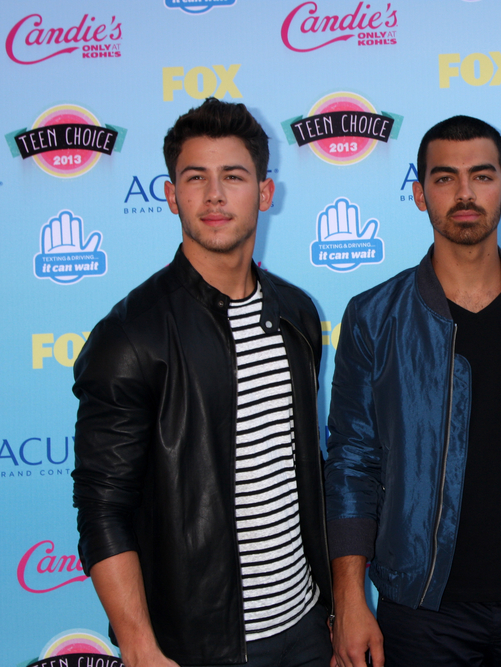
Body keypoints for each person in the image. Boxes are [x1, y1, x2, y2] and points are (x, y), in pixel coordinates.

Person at [325, 115, 501, 667]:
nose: (464, 193)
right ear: (418, 193)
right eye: (444, 178)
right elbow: (351, 464)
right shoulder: (373, 316)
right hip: (420, 612)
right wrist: (350, 596)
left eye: (481, 176)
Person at [72, 98, 332, 666]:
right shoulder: (132, 334)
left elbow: (301, 468)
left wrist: (331, 612)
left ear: (264, 194)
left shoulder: (297, 313)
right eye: (196, 178)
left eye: (233, 177)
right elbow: (102, 506)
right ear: (171, 195)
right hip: (197, 647)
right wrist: (139, 644)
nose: (215, 195)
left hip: (308, 628)